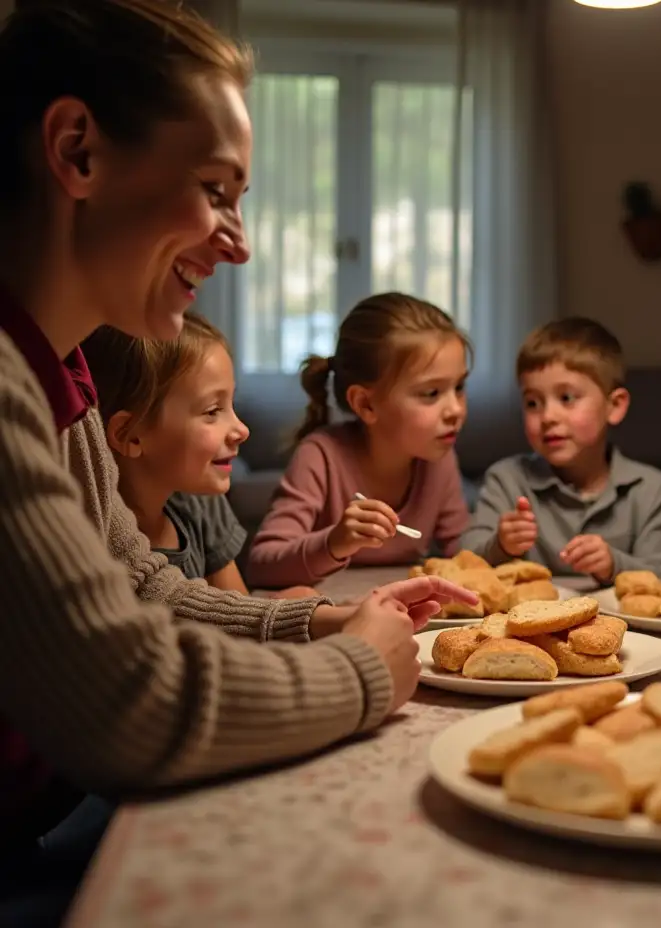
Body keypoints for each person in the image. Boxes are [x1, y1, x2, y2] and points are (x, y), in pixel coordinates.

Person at [0, 3, 475, 922]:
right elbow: (125, 703)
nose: (239, 242)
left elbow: (138, 583)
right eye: (216, 190)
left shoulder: (62, 376)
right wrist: (363, 673)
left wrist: (318, 625)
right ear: (77, 151)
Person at [245, 293, 471, 589]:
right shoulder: (321, 456)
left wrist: (501, 545)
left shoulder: (438, 458)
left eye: (460, 386)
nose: (455, 409)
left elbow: (465, 554)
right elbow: (261, 566)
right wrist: (334, 542)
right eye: (431, 393)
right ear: (365, 404)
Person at [459, 317, 661, 582]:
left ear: (615, 406)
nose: (548, 416)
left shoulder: (650, 488)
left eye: (566, 398)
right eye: (532, 403)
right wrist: (501, 545)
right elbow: (465, 560)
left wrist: (613, 564)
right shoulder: (507, 480)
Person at [81, 313, 251, 591]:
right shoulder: (99, 548)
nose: (242, 430)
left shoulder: (200, 502)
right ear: (130, 435)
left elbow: (243, 617)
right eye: (212, 411)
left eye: (231, 404)